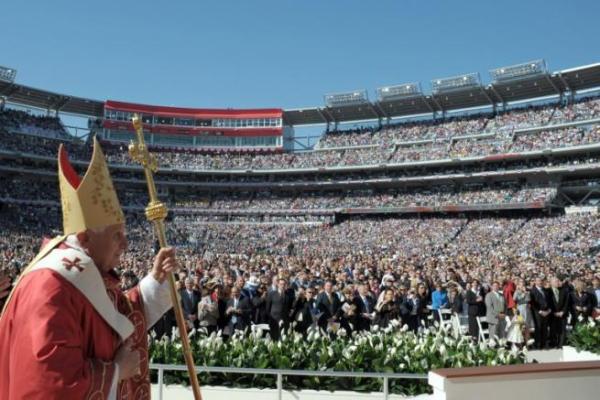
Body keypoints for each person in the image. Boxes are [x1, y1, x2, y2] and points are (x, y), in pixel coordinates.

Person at [0, 138, 174, 399]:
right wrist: (116, 372)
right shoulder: (51, 286)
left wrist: (155, 281)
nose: (125, 244)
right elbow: (47, 383)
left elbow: (116, 316)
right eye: (117, 235)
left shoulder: (83, 274)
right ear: (84, 238)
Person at [530, 276, 551, 349]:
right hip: (537, 313)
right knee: (538, 328)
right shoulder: (532, 291)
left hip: (546, 312)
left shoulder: (545, 290)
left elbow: (549, 301)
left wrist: (548, 310)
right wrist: (540, 311)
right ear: (535, 282)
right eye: (538, 281)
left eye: (541, 281)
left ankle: (544, 344)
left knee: (545, 328)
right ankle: (538, 344)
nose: (540, 282)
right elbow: (532, 303)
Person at [548, 277, 569, 348]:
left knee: (562, 330)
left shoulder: (564, 291)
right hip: (552, 315)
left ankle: (561, 344)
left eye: (558, 281)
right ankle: (553, 344)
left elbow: (566, 303)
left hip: (562, 314)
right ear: (551, 283)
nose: (558, 282)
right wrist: (554, 312)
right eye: (556, 281)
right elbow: (548, 303)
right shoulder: (547, 291)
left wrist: (563, 312)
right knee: (553, 330)